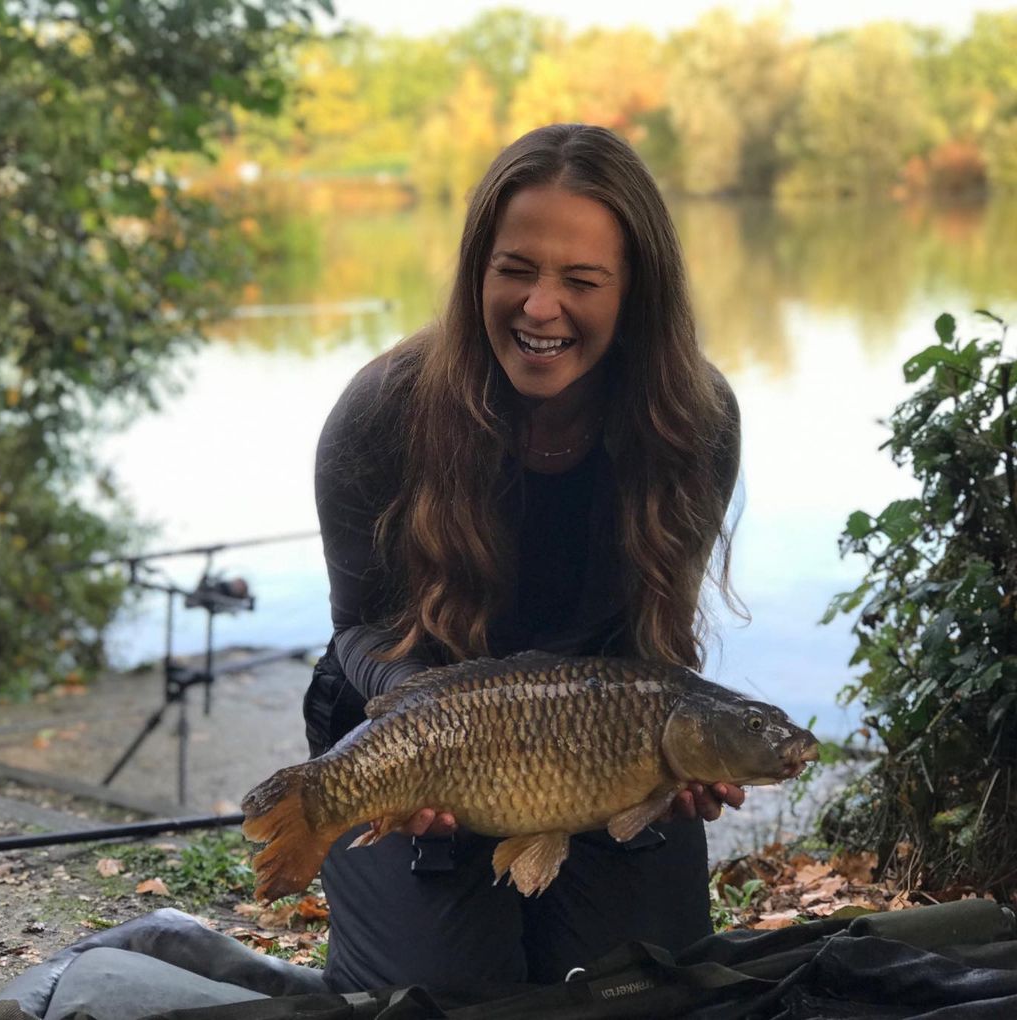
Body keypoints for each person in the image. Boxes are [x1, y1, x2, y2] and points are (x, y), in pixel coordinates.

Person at [303, 123, 744, 994]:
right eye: (515, 271)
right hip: (400, 725)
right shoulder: (381, 411)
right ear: (477, 273)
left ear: (635, 294)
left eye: (581, 280)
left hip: (596, 745)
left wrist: (672, 775)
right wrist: (423, 725)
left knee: (639, 987)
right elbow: (357, 629)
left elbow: (654, 650)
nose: (541, 308)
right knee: (447, 999)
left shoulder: (697, 421)